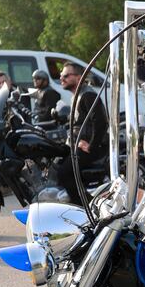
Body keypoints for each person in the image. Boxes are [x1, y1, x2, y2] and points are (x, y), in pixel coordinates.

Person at [56, 61, 109, 200]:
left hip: (89, 147)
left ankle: (85, 206)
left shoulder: (88, 95)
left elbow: (101, 122)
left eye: (66, 75)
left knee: (63, 173)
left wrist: (91, 145)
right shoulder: (78, 94)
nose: (62, 78)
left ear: (79, 77)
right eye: (61, 75)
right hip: (77, 143)